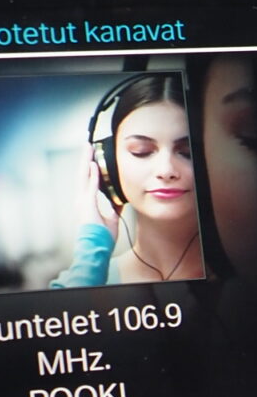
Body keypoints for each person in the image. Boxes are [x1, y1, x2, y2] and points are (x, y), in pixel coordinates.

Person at [49, 73, 206, 287]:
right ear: (109, 163)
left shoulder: (247, 276)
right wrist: (92, 250)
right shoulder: (81, 280)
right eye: (141, 151)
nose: (166, 170)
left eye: (187, 152)